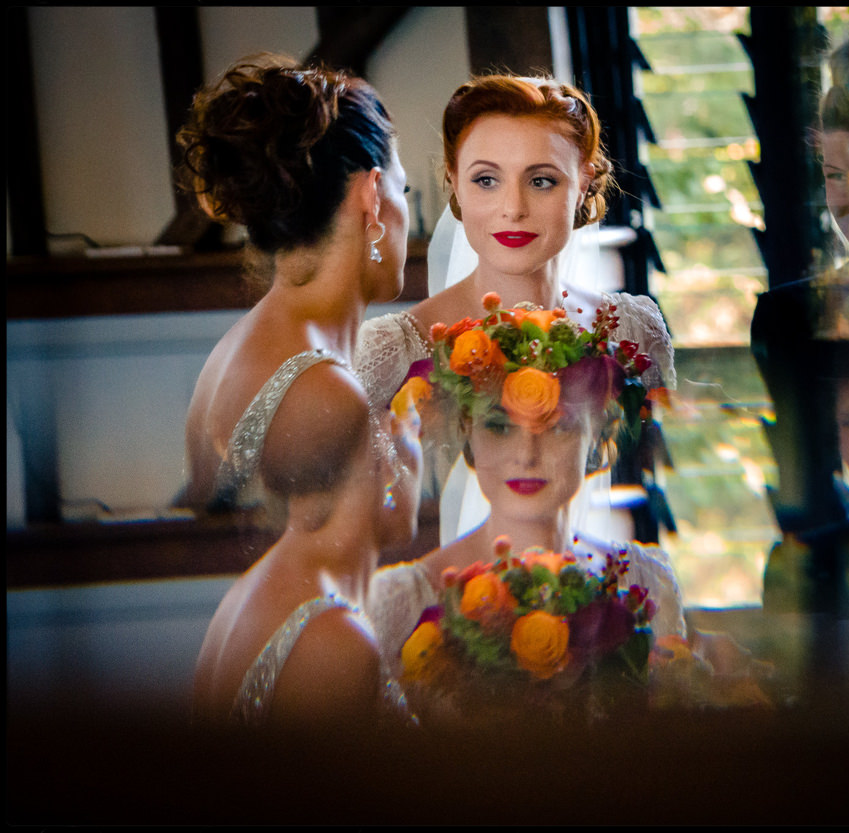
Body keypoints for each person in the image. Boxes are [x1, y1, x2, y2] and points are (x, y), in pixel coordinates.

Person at [175, 55, 420, 727]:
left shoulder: (239, 355)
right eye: (406, 191)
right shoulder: (323, 395)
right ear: (372, 197)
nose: (408, 215)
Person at [355, 74, 676, 543]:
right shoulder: (389, 352)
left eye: (542, 180)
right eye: (486, 180)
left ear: (584, 181)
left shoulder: (634, 330)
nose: (513, 208)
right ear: (454, 182)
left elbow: (655, 465)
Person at [366, 300, 685, 687]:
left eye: (559, 427)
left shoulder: (649, 580)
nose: (526, 456)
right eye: (499, 427)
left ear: (597, 436)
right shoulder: (393, 603)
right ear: (468, 433)